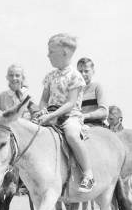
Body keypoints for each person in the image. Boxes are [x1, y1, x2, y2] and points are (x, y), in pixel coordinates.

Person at [34, 33, 92, 192]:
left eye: (51, 51)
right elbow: (44, 99)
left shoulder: (75, 76)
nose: (48, 55)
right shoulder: (49, 76)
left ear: (64, 53)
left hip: (69, 116)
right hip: (49, 115)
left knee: (72, 135)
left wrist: (52, 115)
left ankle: (88, 174)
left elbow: (70, 103)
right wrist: (42, 110)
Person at [77, 57, 107, 126]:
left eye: (86, 71)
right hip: (78, 125)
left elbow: (104, 111)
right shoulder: (74, 91)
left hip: (95, 125)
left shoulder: (97, 87)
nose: (83, 74)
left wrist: (85, 116)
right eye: (80, 71)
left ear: (93, 71)